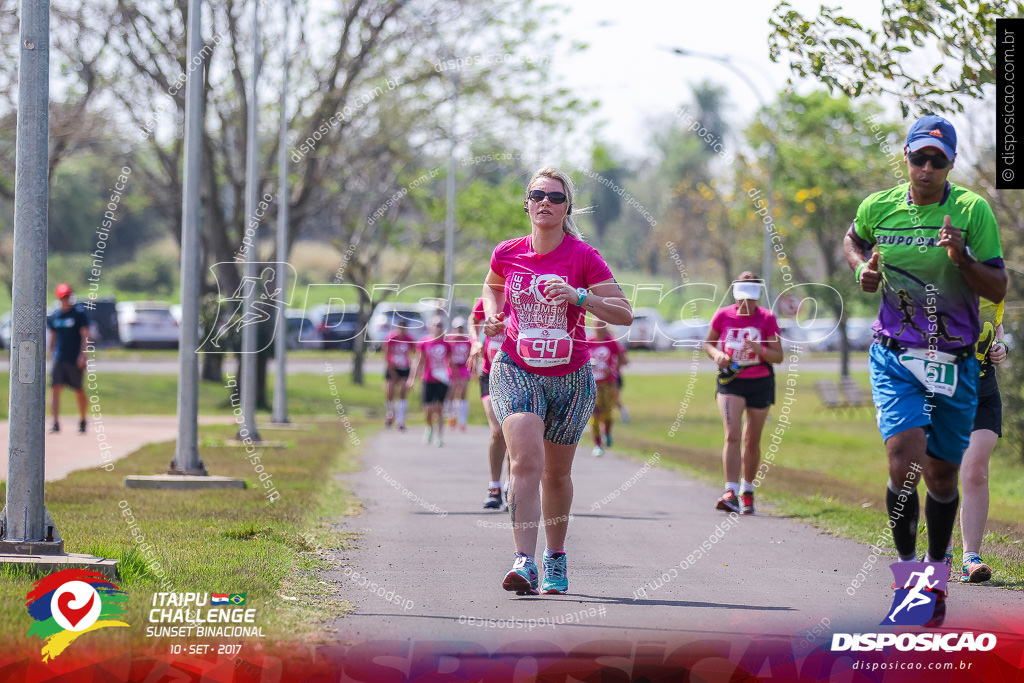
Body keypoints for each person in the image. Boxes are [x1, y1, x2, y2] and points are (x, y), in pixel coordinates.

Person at [844, 115, 1006, 605]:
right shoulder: (879, 206)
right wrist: (862, 270)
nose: (927, 168)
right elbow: (853, 240)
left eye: (938, 160)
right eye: (920, 158)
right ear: (907, 158)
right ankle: (907, 577)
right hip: (895, 354)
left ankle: (936, 569)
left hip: (954, 359)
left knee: (940, 473)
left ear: (951, 163)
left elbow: (998, 286)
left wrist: (963, 261)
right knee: (902, 459)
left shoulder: (972, 211)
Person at [481, 167, 633, 595]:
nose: (545, 201)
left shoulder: (583, 256)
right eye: (537, 194)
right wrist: (493, 314)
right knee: (525, 458)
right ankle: (523, 561)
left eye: (556, 196)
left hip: (570, 377)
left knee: (557, 475)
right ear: (527, 203)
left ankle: (555, 556)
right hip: (515, 367)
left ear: (567, 208)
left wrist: (578, 296)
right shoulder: (507, 252)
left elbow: (624, 314)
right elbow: (491, 287)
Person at [702, 272, 783, 515]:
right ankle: (730, 492)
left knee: (751, 439)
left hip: (760, 381)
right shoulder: (723, 315)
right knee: (733, 435)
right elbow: (707, 343)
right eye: (741, 298)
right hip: (731, 382)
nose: (745, 304)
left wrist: (761, 350)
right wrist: (718, 356)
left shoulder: (767, 318)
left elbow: (778, 356)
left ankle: (747, 491)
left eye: (750, 299)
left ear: (758, 297)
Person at [947, 298, 1007, 583]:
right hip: (944, 390)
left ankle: (970, 557)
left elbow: (998, 327)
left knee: (976, 471)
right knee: (942, 471)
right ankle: (940, 553)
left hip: (983, 391)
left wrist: (1002, 347)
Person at [470, 297, 509, 510]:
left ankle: (511, 487)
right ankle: (494, 487)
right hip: (489, 373)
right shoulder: (489, 297)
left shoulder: (525, 295)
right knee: (498, 431)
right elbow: (473, 317)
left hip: (516, 375)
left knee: (517, 434)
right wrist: (475, 340)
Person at [47, 283, 90, 434]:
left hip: (74, 358)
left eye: (68, 297)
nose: (66, 300)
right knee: (55, 389)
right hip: (59, 358)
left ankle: (83, 419)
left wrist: (83, 355)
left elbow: (85, 336)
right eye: (63, 297)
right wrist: (51, 354)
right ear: (59, 298)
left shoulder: (79, 315)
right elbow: (52, 337)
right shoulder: (54, 316)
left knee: (78, 390)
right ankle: (55, 422)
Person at [407, 316, 453, 447]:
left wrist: (454, 379)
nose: (437, 328)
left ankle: (439, 436)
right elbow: (418, 362)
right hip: (427, 378)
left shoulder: (446, 344)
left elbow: (451, 363)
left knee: (439, 408)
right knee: (428, 409)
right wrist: (411, 379)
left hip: (442, 379)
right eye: (435, 325)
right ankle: (429, 428)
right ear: (431, 327)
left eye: (440, 325)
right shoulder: (423, 342)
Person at [588, 319, 625, 457]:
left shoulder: (612, 342)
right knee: (595, 415)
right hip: (593, 385)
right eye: (596, 326)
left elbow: (623, 359)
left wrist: (614, 371)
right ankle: (597, 445)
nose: (598, 329)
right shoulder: (588, 342)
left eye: (600, 326)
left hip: (608, 384)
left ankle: (607, 431)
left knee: (608, 413)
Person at [382, 321, 415, 431]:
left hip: (404, 367)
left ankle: (400, 420)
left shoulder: (409, 339)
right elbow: (386, 354)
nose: (402, 330)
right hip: (393, 366)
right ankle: (390, 413)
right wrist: (392, 371)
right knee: (389, 391)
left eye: (404, 328)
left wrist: (413, 369)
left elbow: (414, 353)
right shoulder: (391, 338)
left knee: (402, 392)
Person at [445, 318, 473, 431]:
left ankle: (462, 421)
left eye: (461, 328)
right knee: (451, 394)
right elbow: (448, 358)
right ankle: (451, 417)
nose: (459, 331)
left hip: (464, 368)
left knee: (463, 393)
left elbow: (470, 356)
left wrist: (472, 370)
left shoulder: (467, 341)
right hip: (452, 368)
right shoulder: (449, 341)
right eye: (457, 328)